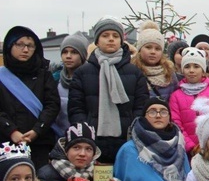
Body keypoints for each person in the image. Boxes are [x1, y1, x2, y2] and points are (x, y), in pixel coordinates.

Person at [68, 17, 148, 164]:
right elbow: (76, 108)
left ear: (121, 41)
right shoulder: (82, 73)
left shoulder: (135, 73)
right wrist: (86, 132)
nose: (111, 39)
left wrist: (132, 128)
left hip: (127, 141)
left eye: (115, 36)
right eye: (105, 36)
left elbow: (141, 107)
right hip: (92, 142)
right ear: (97, 41)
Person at [0, 26, 61, 169]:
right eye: (20, 45)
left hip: (39, 142)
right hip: (5, 141)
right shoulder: (2, 77)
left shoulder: (44, 75)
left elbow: (52, 105)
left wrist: (36, 131)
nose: (25, 50)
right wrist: (12, 131)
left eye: (30, 46)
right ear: (10, 46)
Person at [169, 48, 209, 154]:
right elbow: (176, 123)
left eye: (196, 66)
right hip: (188, 150)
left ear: (203, 70)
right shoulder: (176, 95)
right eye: (187, 66)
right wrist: (191, 146)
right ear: (182, 70)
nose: (191, 70)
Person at [133, 21, 179, 102]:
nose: (153, 52)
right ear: (140, 49)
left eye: (157, 48)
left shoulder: (169, 72)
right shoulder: (132, 71)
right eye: (148, 47)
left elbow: (175, 101)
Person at [53, 31, 89, 132]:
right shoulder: (55, 80)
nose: (68, 56)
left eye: (74, 52)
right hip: (58, 135)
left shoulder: (91, 79)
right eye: (65, 52)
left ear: (82, 55)